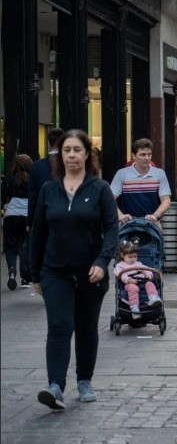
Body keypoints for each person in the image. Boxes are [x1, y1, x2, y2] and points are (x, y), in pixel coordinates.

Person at [29, 129, 119, 410]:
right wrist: (35, 274)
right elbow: (39, 234)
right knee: (59, 325)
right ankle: (55, 386)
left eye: (76, 150)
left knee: (86, 327)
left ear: (87, 154)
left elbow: (112, 229)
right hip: (55, 272)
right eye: (65, 150)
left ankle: (84, 380)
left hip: (91, 273)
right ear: (59, 155)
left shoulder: (100, 189)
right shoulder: (49, 189)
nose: (71, 155)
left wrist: (102, 262)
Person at [110, 138, 171, 224]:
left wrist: (155, 216)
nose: (147, 158)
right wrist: (120, 216)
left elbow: (166, 201)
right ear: (133, 156)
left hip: (152, 224)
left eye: (149, 154)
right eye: (142, 155)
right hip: (128, 224)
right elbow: (109, 199)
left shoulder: (159, 174)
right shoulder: (122, 174)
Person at [2, 153, 33, 289]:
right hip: (27, 214)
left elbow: (3, 196)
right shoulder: (32, 178)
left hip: (12, 214)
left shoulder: (9, 178)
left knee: (10, 246)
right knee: (25, 245)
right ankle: (25, 278)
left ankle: (12, 270)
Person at [113, 242, 162, 319]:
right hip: (129, 284)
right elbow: (120, 274)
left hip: (142, 281)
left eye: (135, 256)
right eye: (130, 257)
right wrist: (128, 280)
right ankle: (134, 308)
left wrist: (148, 274)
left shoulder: (138, 263)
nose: (133, 259)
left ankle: (153, 298)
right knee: (133, 288)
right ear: (123, 255)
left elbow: (145, 269)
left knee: (150, 284)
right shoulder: (120, 265)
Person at [27, 127, 64, 228]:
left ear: (49, 143)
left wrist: (30, 221)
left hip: (43, 218)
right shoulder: (70, 165)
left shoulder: (37, 166)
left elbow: (33, 197)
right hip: (65, 218)